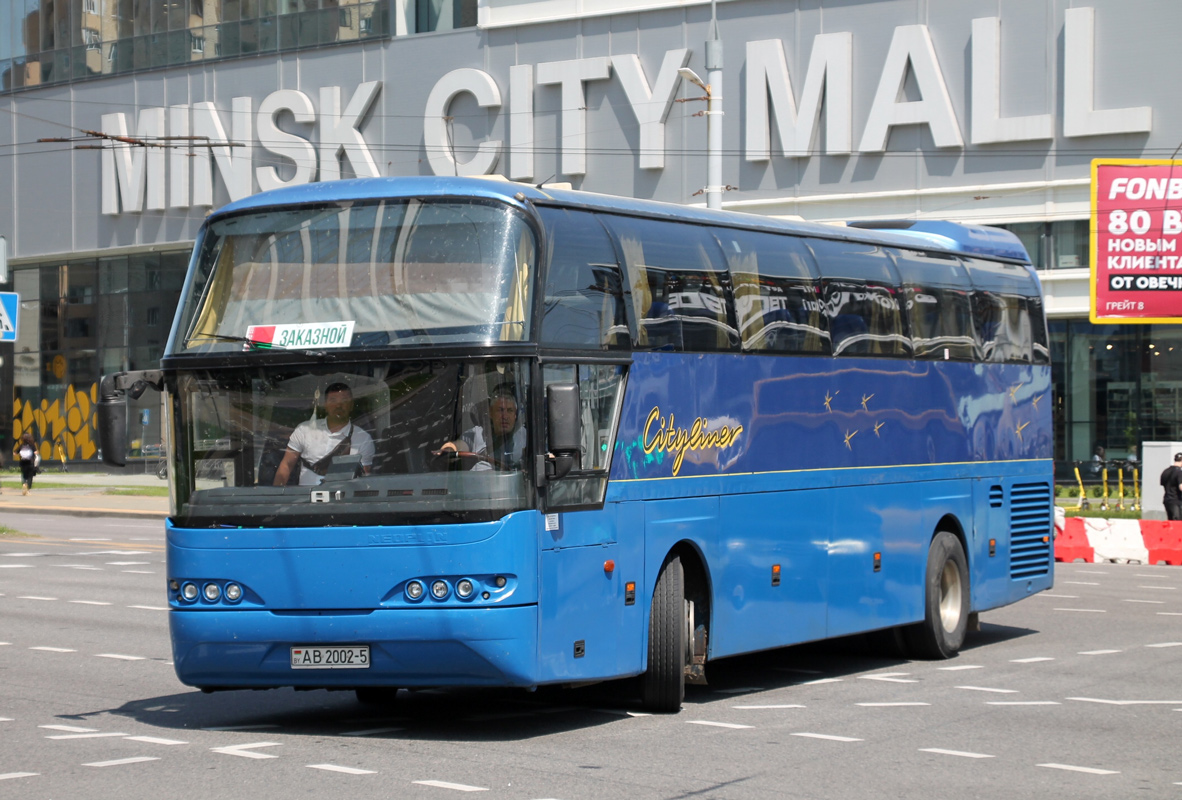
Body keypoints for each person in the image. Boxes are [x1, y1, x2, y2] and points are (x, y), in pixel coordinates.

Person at [272, 382, 375, 486]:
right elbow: (286, 465)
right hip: (304, 499)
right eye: (333, 400)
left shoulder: (363, 438)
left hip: (342, 499)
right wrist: (275, 497)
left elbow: (363, 478)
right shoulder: (304, 430)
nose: (338, 405)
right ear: (325, 405)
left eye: (344, 400)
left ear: (351, 405)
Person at [440, 385, 527, 471]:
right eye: (500, 410)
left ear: (515, 415)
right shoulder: (477, 434)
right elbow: (459, 445)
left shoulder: (524, 436)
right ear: (490, 413)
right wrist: (450, 449)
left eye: (510, 410)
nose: (505, 416)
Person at [13, 432, 39, 496]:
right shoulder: (32, 445)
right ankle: (28, 489)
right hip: (30, 463)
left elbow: (14, 453)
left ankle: (24, 484)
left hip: (23, 463)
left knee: (24, 475)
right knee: (30, 476)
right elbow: (36, 453)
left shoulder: (21, 446)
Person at [1162, 453, 1182, 521]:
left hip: (1167, 500)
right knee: (1178, 522)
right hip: (1176, 501)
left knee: (1171, 521)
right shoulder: (1179, 472)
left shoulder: (1165, 471)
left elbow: (1163, 484)